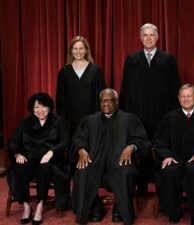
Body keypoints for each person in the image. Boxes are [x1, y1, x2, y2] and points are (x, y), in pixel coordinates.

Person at [71, 88, 151, 225]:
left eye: (109, 101)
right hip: (95, 162)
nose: (105, 104)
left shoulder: (129, 119)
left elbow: (141, 139)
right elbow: (78, 139)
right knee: (81, 172)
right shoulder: (90, 121)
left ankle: (119, 208)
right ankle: (95, 207)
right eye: (102, 101)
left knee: (127, 172)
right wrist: (81, 149)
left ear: (117, 102)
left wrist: (131, 147)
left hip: (119, 162)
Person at [119, 23, 180, 194]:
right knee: (139, 149)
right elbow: (126, 89)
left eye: (151, 35)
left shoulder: (168, 60)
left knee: (161, 150)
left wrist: (171, 116)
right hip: (138, 115)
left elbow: (174, 89)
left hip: (161, 114)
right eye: (145, 35)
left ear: (157, 37)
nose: (148, 38)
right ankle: (141, 187)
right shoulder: (132, 60)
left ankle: (162, 188)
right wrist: (127, 116)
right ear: (140, 38)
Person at [153, 84, 194, 225]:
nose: (186, 99)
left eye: (189, 96)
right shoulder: (170, 117)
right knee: (169, 172)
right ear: (178, 98)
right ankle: (174, 210)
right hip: (175, 159)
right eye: (182, 96)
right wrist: (167, 155)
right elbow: (159, 142)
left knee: (193, 170)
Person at [7, 92, 69, 225]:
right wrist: (17, 154)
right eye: (36, 107)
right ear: (32, 109)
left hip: (49, 158)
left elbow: (65, 141)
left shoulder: (58, 121)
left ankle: (40, 205)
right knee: (19, 167)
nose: (40, 110)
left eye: (43, 107)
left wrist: (51, 152)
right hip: (30, 157)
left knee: (45, 168)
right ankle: (26, 206)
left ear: (49, 107)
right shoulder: (26, 122)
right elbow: (12, 142)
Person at [56, 36, 105, 136]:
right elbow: (61, 98)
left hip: (92, 118)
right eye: (75, 48)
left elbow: (101, 97)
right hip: (71, 120)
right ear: (71, 51)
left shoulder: (95, 70)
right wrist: (64, 121)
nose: (78, 51)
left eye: (81, 48)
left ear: (86, 50)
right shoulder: (64, 71)